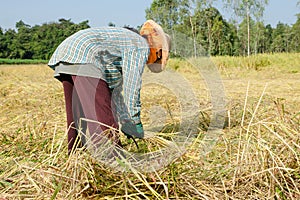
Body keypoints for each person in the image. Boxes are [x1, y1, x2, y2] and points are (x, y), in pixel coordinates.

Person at [48, 20, 171, 155]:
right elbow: (132, 86)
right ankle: (115, 160)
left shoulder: (119, 49)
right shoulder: (141, 45)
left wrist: (126, 120)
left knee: (76, 114)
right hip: (86, 55)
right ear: (156, 47)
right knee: (103, 114)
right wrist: (135, 121)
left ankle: (75, 156)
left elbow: (115, 94)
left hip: (67, 54)